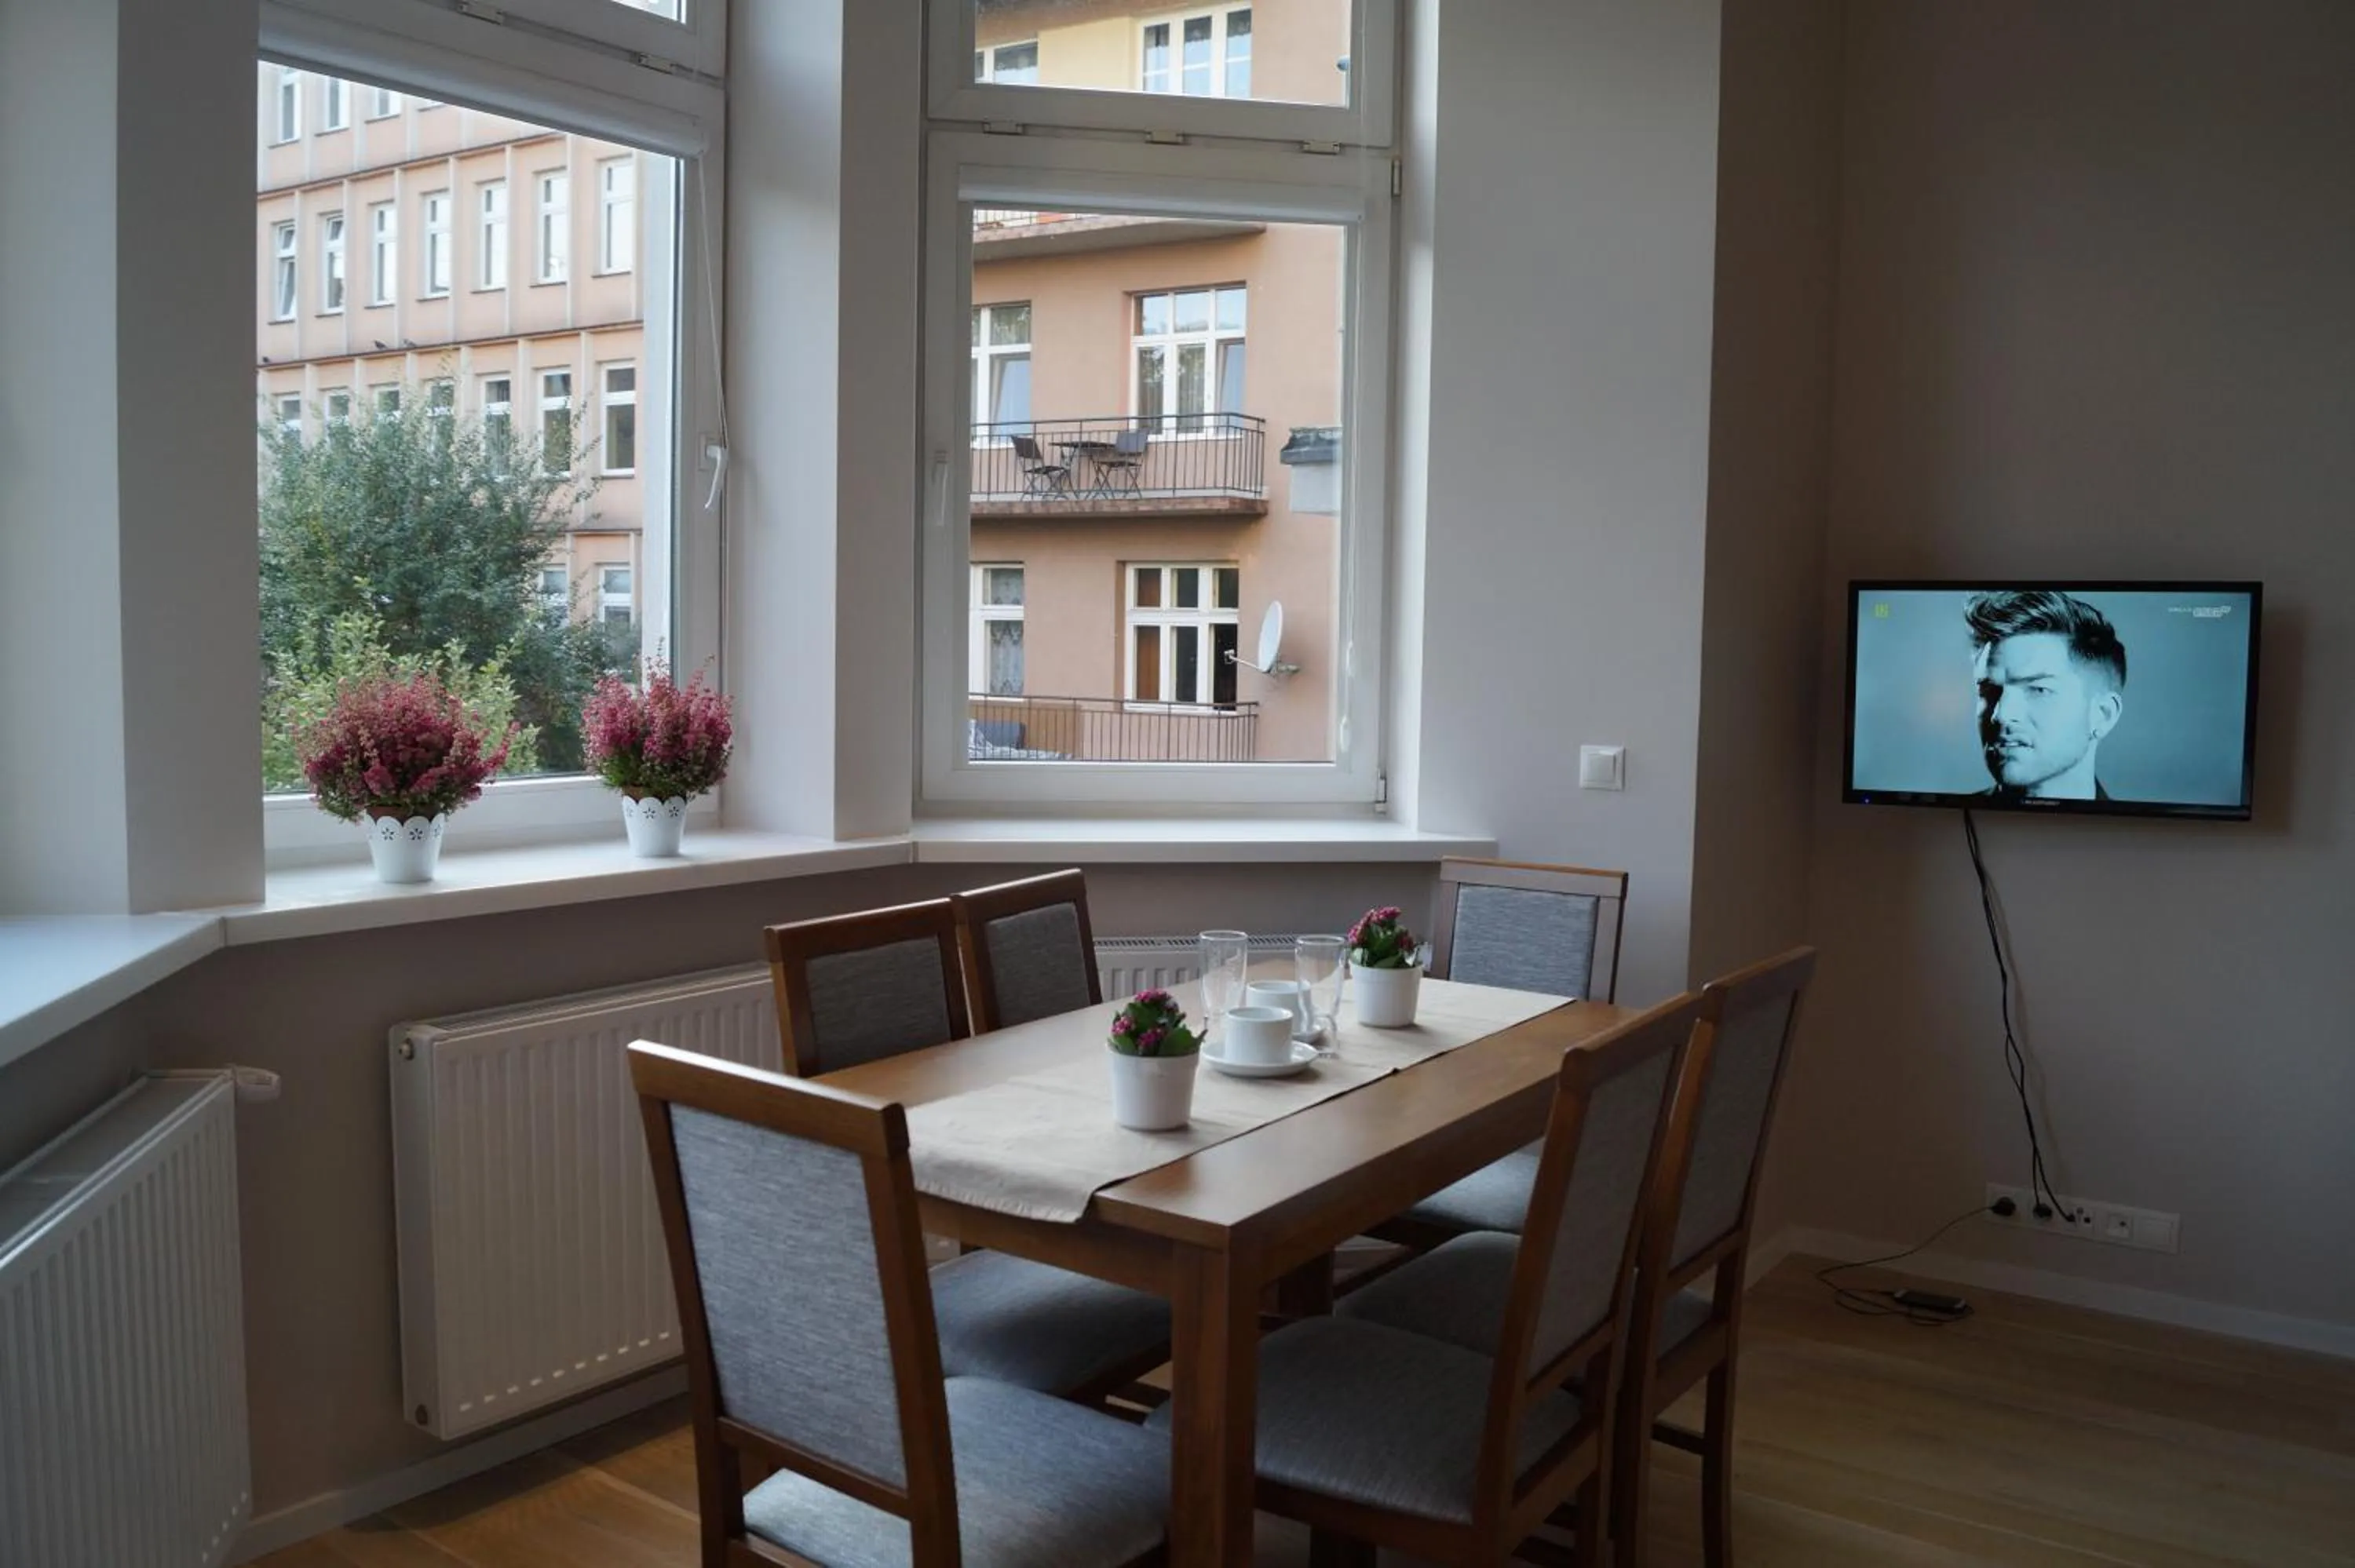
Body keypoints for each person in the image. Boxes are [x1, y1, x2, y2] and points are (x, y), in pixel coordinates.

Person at [1965, 589, 2127, 800]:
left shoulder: (2138, 833)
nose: (2002, 714)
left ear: (2103, 715)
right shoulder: (1945, 825)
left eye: (2039, 689)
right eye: (1987, 691)